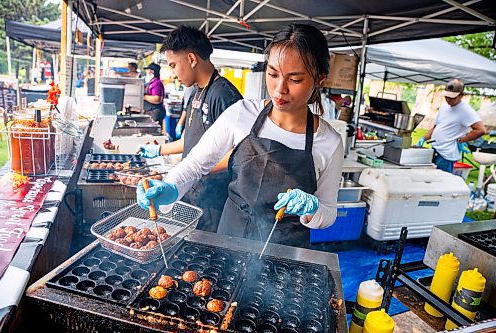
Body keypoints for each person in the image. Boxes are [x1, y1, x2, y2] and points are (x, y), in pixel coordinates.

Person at [137, 23, 343, 248]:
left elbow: (329, 212)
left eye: (295, 80)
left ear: (320, 79)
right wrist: (171, 187)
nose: (279, 89)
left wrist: (313, 209)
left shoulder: (329, 142)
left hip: (286, 252)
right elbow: (195, 164)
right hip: (230, 239)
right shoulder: (242, 113)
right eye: (272, 74)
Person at [137, 26, 243, 233]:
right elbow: (189, 141)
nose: (173, 74)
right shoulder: (195, 93)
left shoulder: (224, 95)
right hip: (193, 191)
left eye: (174, 65)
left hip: (214, 199)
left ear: (192, 59)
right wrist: (159, 151)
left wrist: (195, 169)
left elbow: (239, 153)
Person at [418, 79, 487, 173]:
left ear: (461, 95)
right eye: (446, 96)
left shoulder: (466, 111)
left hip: (447, 155)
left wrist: (461, 140)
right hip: (435, 150)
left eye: (452, 97)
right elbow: (436, 127)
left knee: (441, 181)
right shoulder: (444, 106)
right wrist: (423, 138)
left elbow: (481, 130)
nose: (448, 99)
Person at [143, 63, 166, 127]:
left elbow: (157, 99)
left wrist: (143, 97)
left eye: (148, 70)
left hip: (155, 112)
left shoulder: (156, 83)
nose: (147, 72)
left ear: (151, 71)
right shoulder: (151, 82)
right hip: (150, 111)